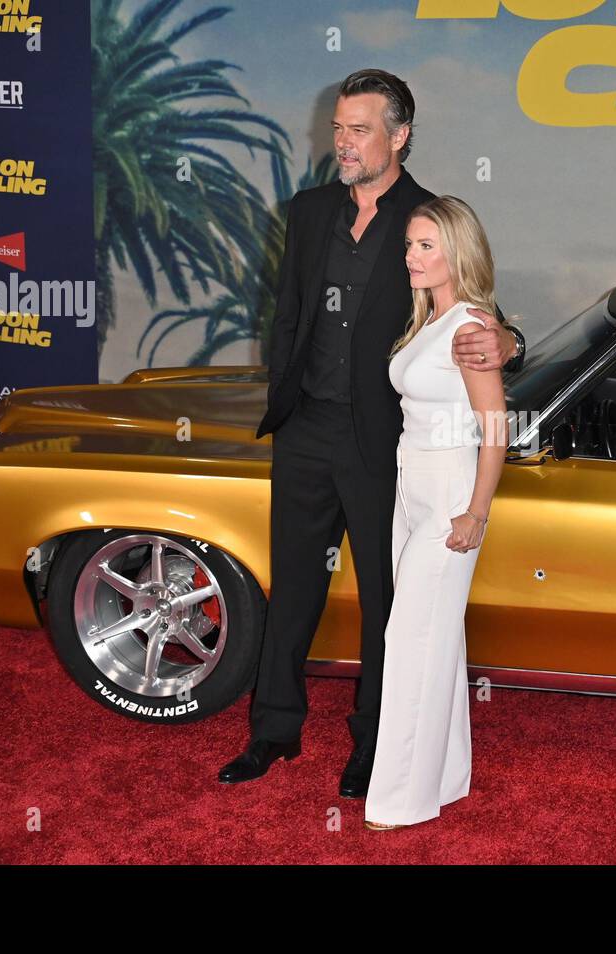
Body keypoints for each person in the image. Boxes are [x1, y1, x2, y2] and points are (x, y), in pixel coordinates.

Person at [217, 69, 526, 797]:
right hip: (305, 432)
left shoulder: (428, 217)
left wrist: (508, 341)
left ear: (400, 135)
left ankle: (375, 741)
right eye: (338, 129)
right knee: (292, 586)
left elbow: (479, 302)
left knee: (387, 601)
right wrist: (282, 393)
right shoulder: (309, 209)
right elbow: (289, 311)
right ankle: (273, 732)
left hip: (385, 444)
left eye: (360, 129)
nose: (344, 142)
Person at [363, 197, 508, 830]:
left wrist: (475, 514)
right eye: (409, 246)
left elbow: (496, 429)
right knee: (435, 640)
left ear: (457, 251)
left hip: (451, 493)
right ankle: (446, 776)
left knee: (410, 640)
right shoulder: (431, 320)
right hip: (411, 489)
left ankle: (399, 798)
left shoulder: (471, 326)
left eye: (427, 246)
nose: (412, 257)